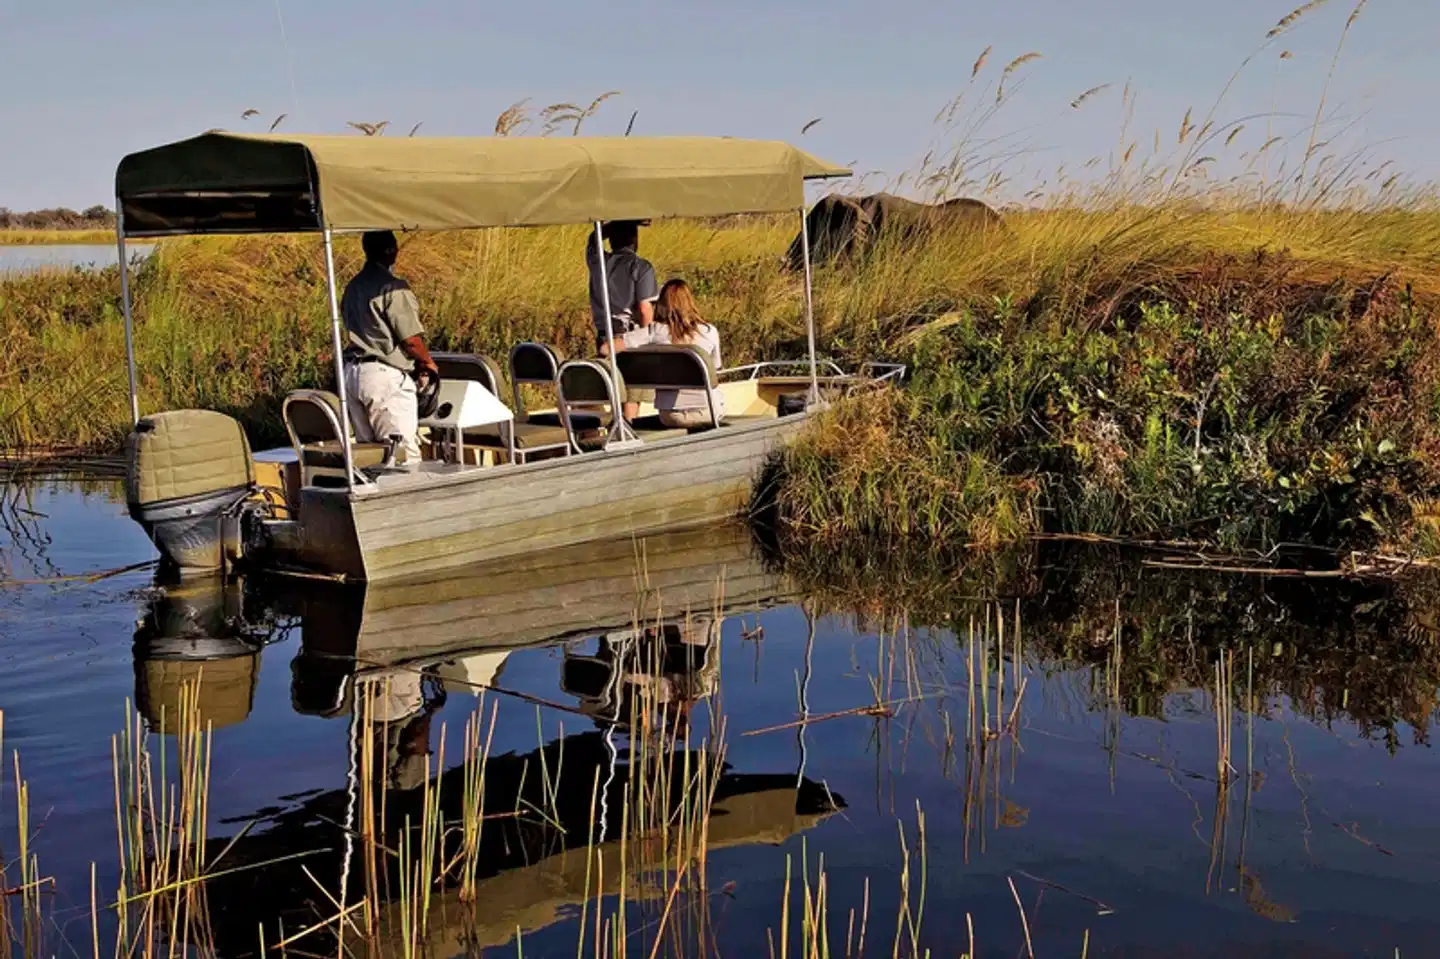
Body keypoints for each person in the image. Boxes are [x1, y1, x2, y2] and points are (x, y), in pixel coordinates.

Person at [340, 230, 439, 468]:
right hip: (384, 376)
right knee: (402, 453)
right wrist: (427, 362)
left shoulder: (353, 286)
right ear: (389, 250)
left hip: (352, 374)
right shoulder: (393, 288)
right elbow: (411, 340)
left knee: (369, 454)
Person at [608, 278, 727, 428]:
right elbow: (715, 369)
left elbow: (606, 348)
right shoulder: (709, 331)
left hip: (671, 416)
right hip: (709, 411)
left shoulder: (654, 331)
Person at [586, 219, 658, 422]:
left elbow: (592, 239)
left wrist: (610, 226)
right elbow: (645, 308)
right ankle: (628, 432)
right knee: (631, 393)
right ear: (635, 240)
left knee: (613, 387)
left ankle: (616, 427)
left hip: (603, 334)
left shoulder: (597, 262)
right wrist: (648, 336)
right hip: (629, 334)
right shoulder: (640, 266)